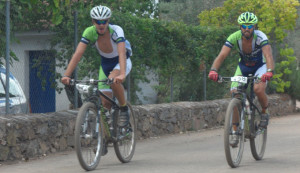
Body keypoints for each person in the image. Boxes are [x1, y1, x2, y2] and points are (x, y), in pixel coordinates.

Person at [61, 5, 132, 129]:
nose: (101, 24)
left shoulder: (116, 31)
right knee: (105, 103)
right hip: (105, 64)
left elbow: (121, 53)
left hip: (121, 61)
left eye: (104, 21)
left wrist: (121, 74)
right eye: (98, 21)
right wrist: (67, 75)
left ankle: (124, 108)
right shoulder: (89, 32)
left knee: (113, 81)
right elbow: (78, 54)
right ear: (93, 22)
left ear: (108, 21)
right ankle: (103, 140)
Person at [208, 12, 275, 132]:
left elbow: (268, 55)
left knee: (258, 89)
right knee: (235, 93)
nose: (247, 29)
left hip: (260, 66)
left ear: (254, 26)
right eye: (244, 26)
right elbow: (222, 55)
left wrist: (269, 71)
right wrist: (213, 70)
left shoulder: (260, 37)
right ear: (240, 26)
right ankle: (235, 129)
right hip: (243, 67)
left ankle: (265, 111)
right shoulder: (234, 37)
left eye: (250, 26)